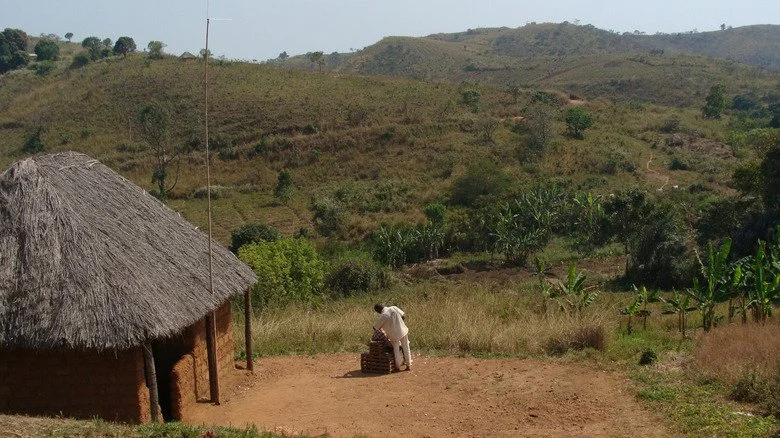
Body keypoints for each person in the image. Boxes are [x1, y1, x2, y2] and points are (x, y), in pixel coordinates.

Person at [373, 303, 412, 371]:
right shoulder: (393, 308)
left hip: (393, 335)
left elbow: (375, 328)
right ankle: (408, 366)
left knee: (396, 351)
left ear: (378, 311)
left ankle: (397, 368)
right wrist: (399, 322)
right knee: (406, 347)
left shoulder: (383, 316)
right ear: (383, 305)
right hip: (402, 330)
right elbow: (403, 316)